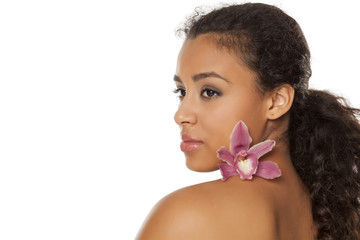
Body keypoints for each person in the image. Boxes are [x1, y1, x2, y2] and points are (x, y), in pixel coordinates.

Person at [136, 3, 360, 240]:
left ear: (276, 101)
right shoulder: (327, 216)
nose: (181, 115)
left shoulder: (186, 215)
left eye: (210, 92)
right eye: (181, 91)